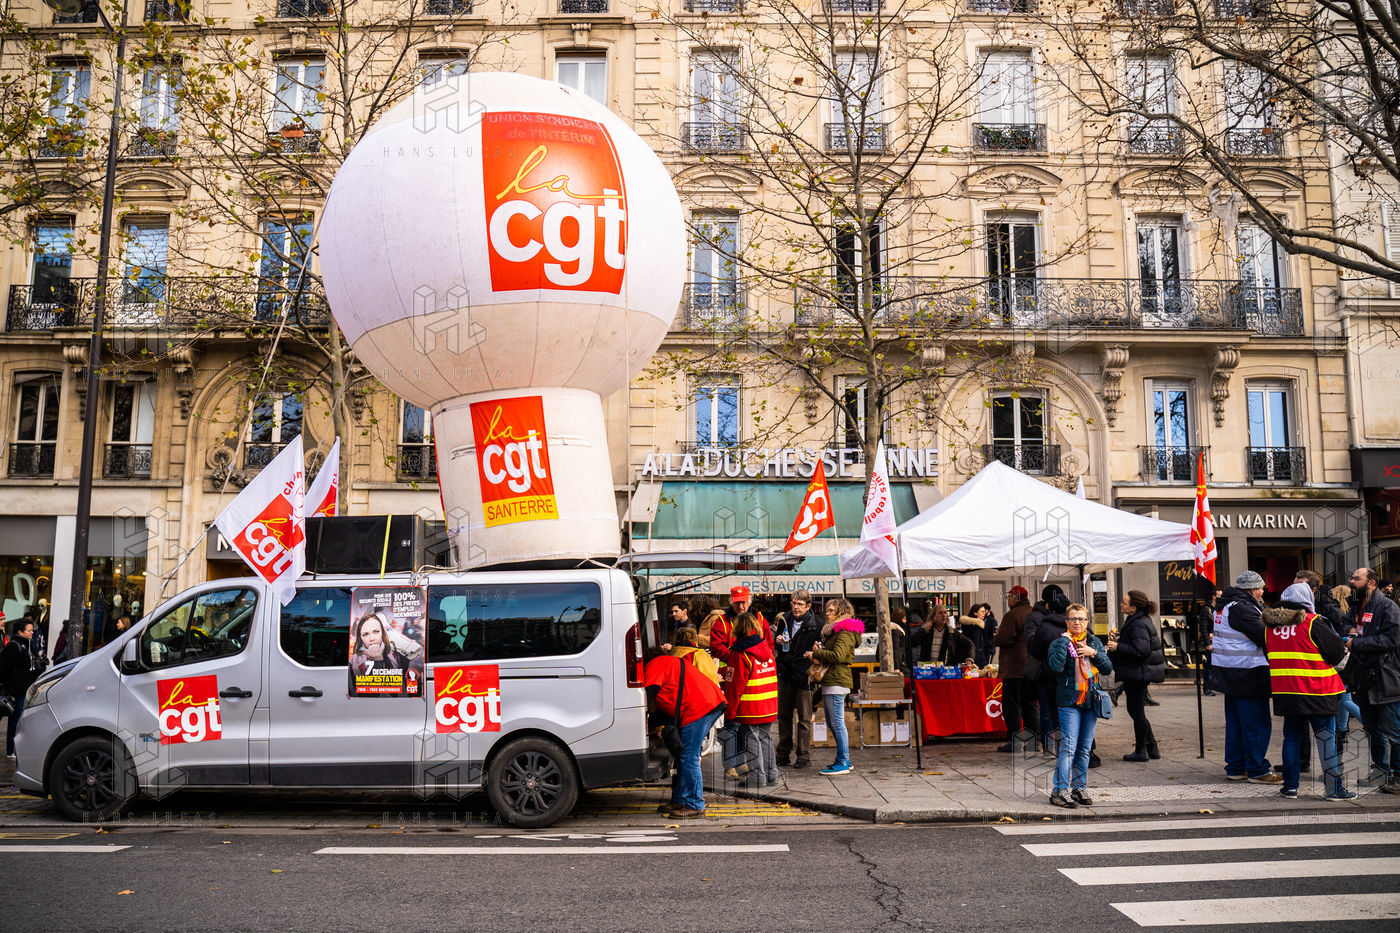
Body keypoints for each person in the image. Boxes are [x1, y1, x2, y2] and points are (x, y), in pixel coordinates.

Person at [1265, 582, 1354, 800]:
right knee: (1326, 739)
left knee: (1291, 738)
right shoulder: (1313, 622)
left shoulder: (1270, 627)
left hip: (1287, 692)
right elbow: (1336, 652)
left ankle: (1290, 787)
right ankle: (1333, 789)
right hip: (1318, 691)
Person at [1209, 571, 1281, 783]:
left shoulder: (1226, 605)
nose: (1262, 592)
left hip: (1230, 672)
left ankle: (1236, 767)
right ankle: (1257, 770)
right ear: (1251, 589)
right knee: (1256, 724)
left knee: (1236, 723)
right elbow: (1264, 635)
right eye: (1260, 588)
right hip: (1248, 672)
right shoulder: (1242, 608)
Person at [644, 651, 727, 818]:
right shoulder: (668, 663)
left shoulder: (654, 666)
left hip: (698, 709)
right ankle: (680, 799)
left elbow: (645, 698)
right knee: (683, 756)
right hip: (707, 703)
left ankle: (694, 804)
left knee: (689, 757)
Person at [1046, 603, 1112, 808]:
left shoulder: (1093, 642)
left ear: (1087, 621)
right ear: (1066, 621)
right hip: (1069, 701)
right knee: (1069, 747)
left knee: (1084, 748)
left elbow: (1107, 668)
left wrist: (1094, 653)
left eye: (1081, 619)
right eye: (1073, 619)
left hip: (1090, 701)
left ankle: (1079, 788)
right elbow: (1055, 667)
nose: (1077, 622)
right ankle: (1059, 791)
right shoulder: (1059, 642)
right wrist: (1063, 643)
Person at [1344, 567, 1400, 793]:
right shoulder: (1356, 604)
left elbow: (1392, 639)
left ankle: (1398, 776)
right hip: (1363, 677)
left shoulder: (1388, 607)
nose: (1352, 581)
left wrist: (1356, 643)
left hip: (1385, 677)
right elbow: (1346, 622)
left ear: (1372, 583)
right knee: (1372, 729)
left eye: (1357, 578)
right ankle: (1380, 772)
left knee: (1394, 731)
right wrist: (1349, 629)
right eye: (1352, 578)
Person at [805, 597, 864, 776]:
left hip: (837, 681)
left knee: (837, 723)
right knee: (833, 722)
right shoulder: (835, 631)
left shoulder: (844, 632)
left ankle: (844, 761)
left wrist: (817, 653)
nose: (827, 613)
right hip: (831, 681)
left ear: (841, 612)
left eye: (831, 610)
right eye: (827, 610)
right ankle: (843, 759)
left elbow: (837, 655)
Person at [722, 612, 779, 787]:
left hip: (749, 706)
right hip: (768, 704)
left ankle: (757, 778)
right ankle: (772, 775)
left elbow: (734, 686)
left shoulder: (739, 652)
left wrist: (730, 712)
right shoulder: (766, 648)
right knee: (765, 738)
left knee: (751, 740)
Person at [1109, 590, 1165, 762]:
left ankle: (1142, 750)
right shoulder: (1138, 620)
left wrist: (1118, 647)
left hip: (1138, 673)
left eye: (1125, 602)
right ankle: (1152, 747)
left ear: (1133, 608)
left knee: (1136, 711)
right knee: (1136, 710)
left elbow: (1141, 651)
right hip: (1137, 672)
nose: (1121, 604)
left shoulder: (1138, 623)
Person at [774, 590, 821, 769]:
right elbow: (778, 644)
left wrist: (817, 651)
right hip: (785, 673)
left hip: (804, 675)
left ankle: (803, 755)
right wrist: (778, 640)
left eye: (799, 604)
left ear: (808, 606)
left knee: (804, 718)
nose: (795, 607)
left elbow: (821, 649)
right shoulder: (785, 619)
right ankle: (783, 752)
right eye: (793, 603)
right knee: (783, 716)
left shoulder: (817, 624)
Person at [1027, 585, 1072, 757]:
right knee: (1069, 711)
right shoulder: (1075, 624)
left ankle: (1049, 747)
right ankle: (1068, 746)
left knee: (1048, 711)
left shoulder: (1044, 626)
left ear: (1050, 607)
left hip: (1048, 675)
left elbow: (1035, 650)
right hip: (1072, 676)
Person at [994, 585, 1038, 752]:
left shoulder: (1012, 615)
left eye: (1009, 597)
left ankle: (1015, 742)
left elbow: (1003, 639)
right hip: (1031, 667)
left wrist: (996, 637)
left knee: (1012, 706)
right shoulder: (1033, 613)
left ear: (1015, 599)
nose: (1008, 600)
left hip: (1014, 668)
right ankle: (1033, 742)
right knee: (1030, 705)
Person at [349, 611, 422, 695]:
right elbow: (365, 696)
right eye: (365, 634)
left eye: (376, 632)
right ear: (360, 637)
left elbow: (400, 689)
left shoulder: (393, 653)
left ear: (383, 633)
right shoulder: (355, 661)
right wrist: (377, 663)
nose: (372, 638)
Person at [1, 619, 42, 757]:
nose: (32, 632)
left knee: (24, 721)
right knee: (15, 721)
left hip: (28, 690)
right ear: (20, 632)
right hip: (17, 691)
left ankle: (19, 749)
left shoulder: (30, 645)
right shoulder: (13, 647)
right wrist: (11, 687)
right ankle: (10, 750)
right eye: (29, 630)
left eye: (32, 630)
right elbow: (3, 669)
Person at [709, 586, 773, 670]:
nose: (740, 606)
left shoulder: (760, 619)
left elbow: (769, 644)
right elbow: (716, 646)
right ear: (732, 603)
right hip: (731, 668)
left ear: (749, 602)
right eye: (737, 603)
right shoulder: (721, 622)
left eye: (743, 602)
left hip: (757, 668)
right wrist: (736, 658)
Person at [959, 603, 996, 667]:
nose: (984, 613)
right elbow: (976, 645)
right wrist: (977, 664)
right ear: (975, 613)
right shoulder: (976, 626)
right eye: (982, 612)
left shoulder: (968, 624)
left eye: (985, 612)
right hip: (976, 658)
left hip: (968, 656)